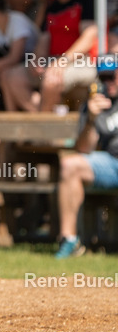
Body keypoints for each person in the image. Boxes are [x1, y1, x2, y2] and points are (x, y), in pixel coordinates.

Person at [54, 65, 118, 258]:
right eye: (103, 78)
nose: (107, 83)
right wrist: (91, 119)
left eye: (112, 77)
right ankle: (70, 240)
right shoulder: (94, 104)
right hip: (111, 163)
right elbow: (84, 149)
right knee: (70, 165)